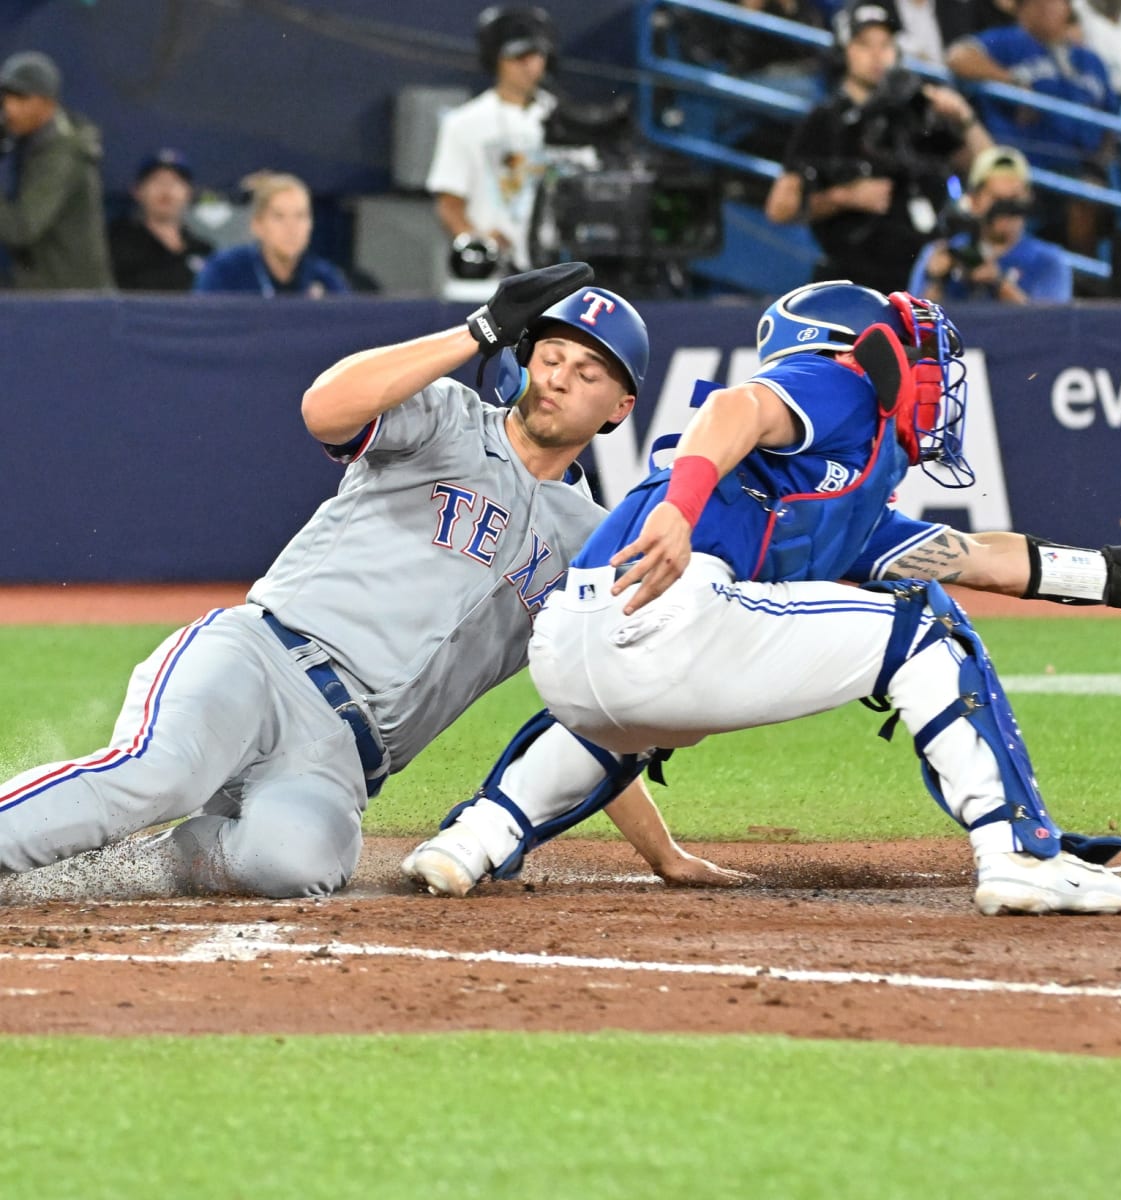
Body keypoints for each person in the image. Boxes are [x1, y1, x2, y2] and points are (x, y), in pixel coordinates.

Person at [404, 280, 1121, 914]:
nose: (930, 375)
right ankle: (1019, 854)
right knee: (928, 637)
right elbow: (733, 407)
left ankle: (471, 840)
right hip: (672, 612)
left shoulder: (842, 495)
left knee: (623, 717)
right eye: (916, 354)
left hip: (580, 651)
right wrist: (682, 507)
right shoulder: (841, 383)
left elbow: (974, 557)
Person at [0, 263, 736, 900]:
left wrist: (660, 852)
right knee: (157, 774)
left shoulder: (589, 540)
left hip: (342, 758)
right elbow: (325, 408)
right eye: (552, 355)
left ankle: (125, 868)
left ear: (621, 408)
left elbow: (591, 709)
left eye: (588, 372)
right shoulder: (450, 418)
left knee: (295, 864)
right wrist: (474, 332)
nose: (559, 379)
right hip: (260, 663)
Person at [764, 1, 992, 292]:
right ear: (843, 51)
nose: (877, 55)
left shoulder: (915, 112)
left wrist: (965, 117)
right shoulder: (825, 121)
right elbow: (779, 209)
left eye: (885, 44)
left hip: (920, 285)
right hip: (850, 284)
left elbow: (989, 169)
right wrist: (844, 196)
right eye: (864, 44)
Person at [945, 0, 1119, 252]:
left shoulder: (1090, 60)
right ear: (1021, 8)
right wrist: (1010, 80)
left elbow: (1111, 121)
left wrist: (1099, 165)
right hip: (1019, 167)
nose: (1047, 7)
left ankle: (1081, 283)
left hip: (1078, 166)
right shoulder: (1006, 41)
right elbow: (957, 57)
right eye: (1037, 2)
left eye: (1055, 2)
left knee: (1090, 194)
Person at [426, 5, 558, 278]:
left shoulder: (567, 120)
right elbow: (449, 203)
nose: (530, 65)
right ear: (496, 60)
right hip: (494, 275)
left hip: (558, 266)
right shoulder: (464, 123)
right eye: (518, 56)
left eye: (536, 55)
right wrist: (480, 244)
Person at [0, 50, 112, 290]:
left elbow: (22, 228)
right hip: (47, 292)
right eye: (6, 97)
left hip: (72, 299)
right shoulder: (28, 139)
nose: (10, 108)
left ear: (47, 103)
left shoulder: (62, 153)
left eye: (21, 98)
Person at [909, 144, 1072, 300]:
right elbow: (913, 323)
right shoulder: (944, 252)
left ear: (1028, 200)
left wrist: (998, 283)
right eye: (997, 200)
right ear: (974, 200)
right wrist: (937, 281)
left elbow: (1052, 325)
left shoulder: (1048, 261)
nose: (1006, 211)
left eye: (1014, 200)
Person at [193, 171, 348, 297]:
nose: (292, 228)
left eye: (301, 216)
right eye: (279, 217)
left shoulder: (325, 278)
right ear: (258, 225)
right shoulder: (224, 272)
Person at [107, 148, 213, 292]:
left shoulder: (204, 250)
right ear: (137, 191)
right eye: (156, 181)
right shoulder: (115, 244)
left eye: (175, 182)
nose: (166, 189)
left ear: (189, 193)